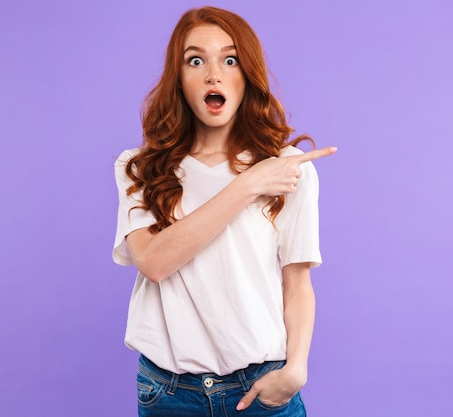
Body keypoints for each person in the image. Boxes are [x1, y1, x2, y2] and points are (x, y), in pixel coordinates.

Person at [112, 6, 336, 417]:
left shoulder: (287, 170)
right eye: (195, 60)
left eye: (229, 59)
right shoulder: (140, 167)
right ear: (179, 79)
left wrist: (296, 371)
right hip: (169, 394)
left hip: (262, 387)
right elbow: (153, 261)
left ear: (246, 74)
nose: (213, 74)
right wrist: (249, 184)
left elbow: (297, 285)